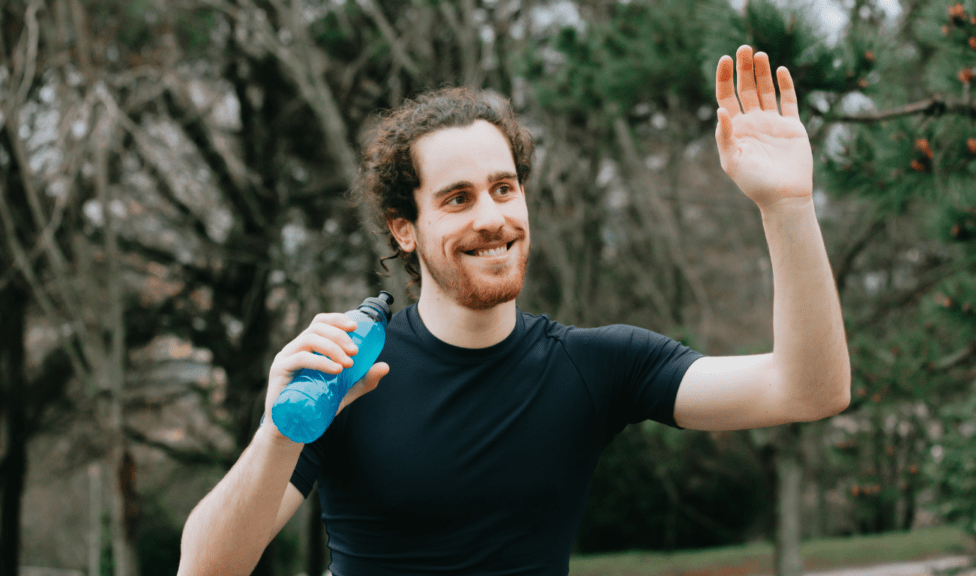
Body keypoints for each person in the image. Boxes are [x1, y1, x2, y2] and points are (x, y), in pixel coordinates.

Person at [179, 46, 851, 575]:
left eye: (504, 189)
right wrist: (278, 432)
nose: (492, 217)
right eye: (457, 198)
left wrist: (786, 204)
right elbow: (206, 569)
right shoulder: (346, 376)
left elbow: (808, 389)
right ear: (403, 228)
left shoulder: (595, 367)